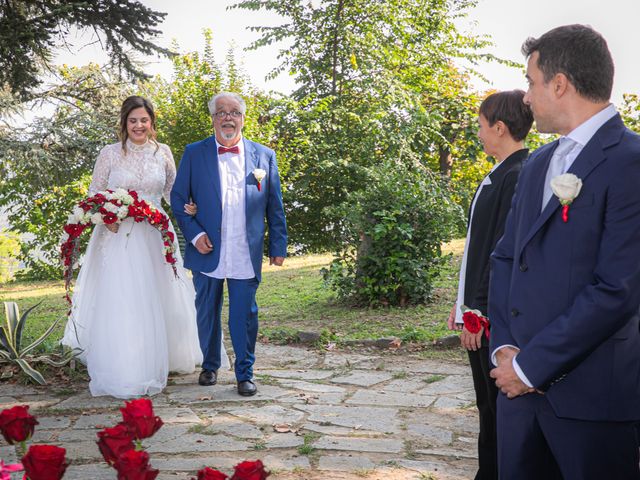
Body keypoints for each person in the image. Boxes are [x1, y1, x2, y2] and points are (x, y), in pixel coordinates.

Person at [488, 25, 640, 479]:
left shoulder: (631, 161)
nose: (527, 98)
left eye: (532, 83)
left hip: (591, 398)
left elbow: (619, 288)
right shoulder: (537, 163)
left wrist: (532, 366)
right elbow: (506, 259)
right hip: (516, 396)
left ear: (560, 84)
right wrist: (505, 352)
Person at [62, 95, 229, 399]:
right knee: (125, 295)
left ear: (152, 123)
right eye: (133, 120)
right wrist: (105, 217)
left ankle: (166, 354)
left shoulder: (162, 152)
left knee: (160, 291)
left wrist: (190, 208)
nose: (139, 125)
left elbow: (172, 192)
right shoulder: (109, 154)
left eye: (144, 120)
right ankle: (126, 362)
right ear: (124, 124)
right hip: (117, 234)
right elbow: (94, 195)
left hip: (155, 233)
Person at [170, 92, 287, 397]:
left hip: (244, 251)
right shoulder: (195, 153)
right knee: (206, 311)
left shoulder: (264, 156)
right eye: (221, 112)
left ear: (243, 119)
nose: (227, 118)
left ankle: (244, 373)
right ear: (212, 119)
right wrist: (195, 235)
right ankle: (210, 365)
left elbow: (275, 205)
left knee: (244, 314)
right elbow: (179, 199)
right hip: (207, 249)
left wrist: (278, 246)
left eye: (234, 112)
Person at [447, 90, 532, 480]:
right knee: (485, 403)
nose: (478, 134)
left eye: (481, 127)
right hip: (476, 307)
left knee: (496, 406)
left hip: (491, 316)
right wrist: (461, 302)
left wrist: (477, 312)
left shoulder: (516, 176)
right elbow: (476, 248)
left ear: (499, 127)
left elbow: (501, 251)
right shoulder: (499, 172)